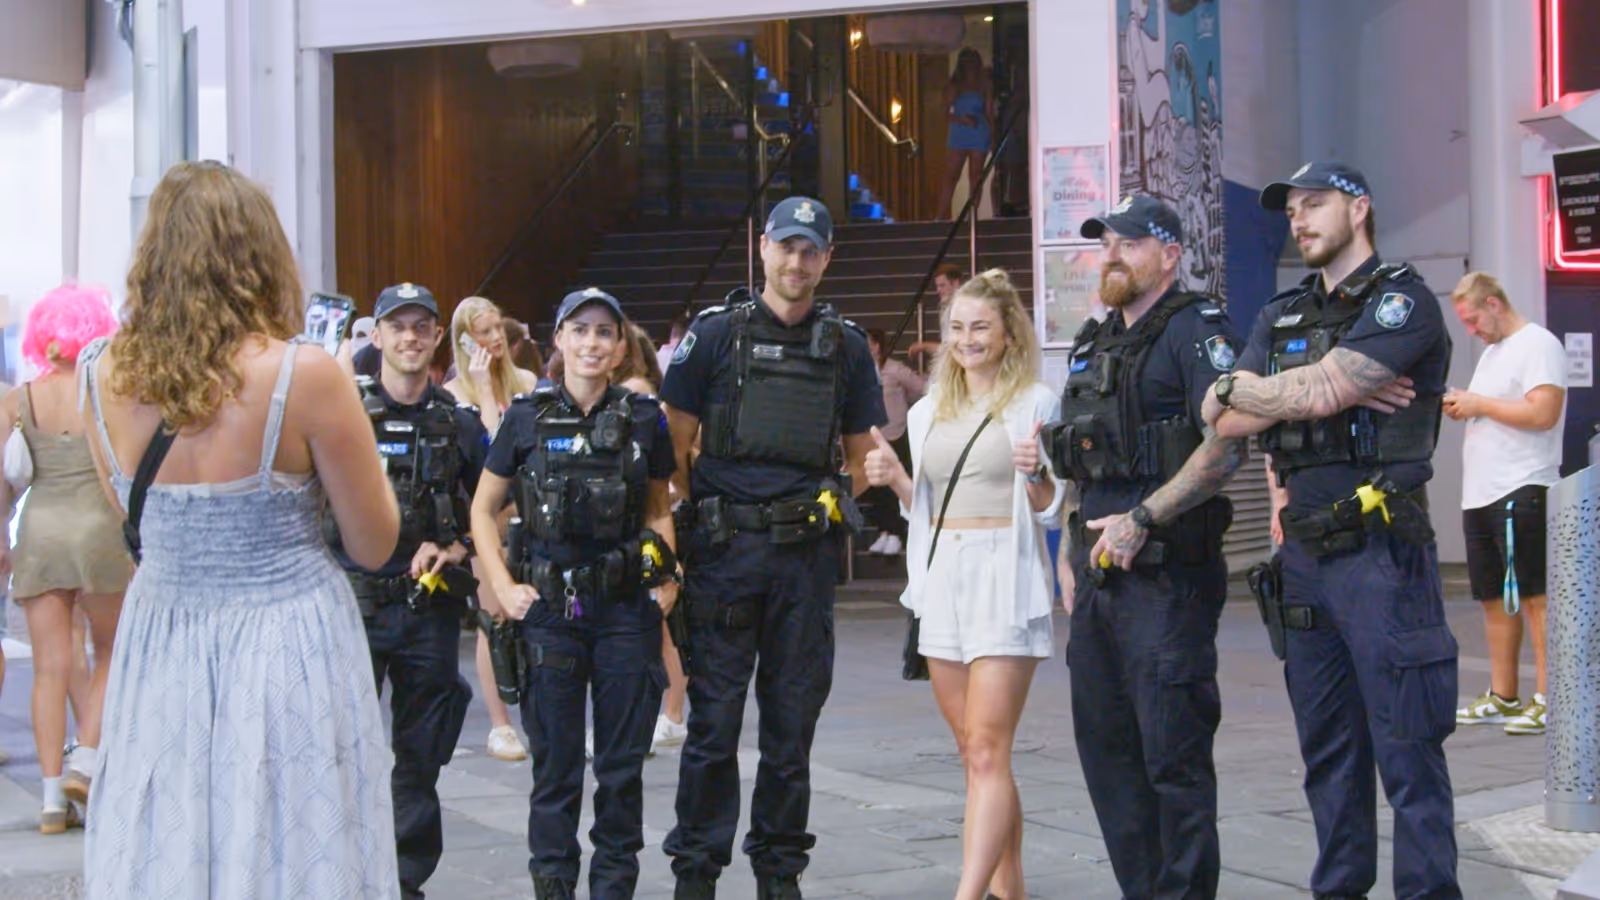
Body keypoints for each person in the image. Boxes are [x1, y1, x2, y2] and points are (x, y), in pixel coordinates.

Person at [79, 160, 400, 898]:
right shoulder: (304, 375)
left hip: (161, 636)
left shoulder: (99, 375)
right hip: (289, 641)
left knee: (172, 834)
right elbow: (374, 543)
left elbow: (137, 521)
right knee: (290, 839)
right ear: (260, 257)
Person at [1204, 160, 1460, 899]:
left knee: (1408, 752)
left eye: (1317, 204)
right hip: (1306, 561)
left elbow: (1324, 389)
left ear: (1360, 209)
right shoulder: (1282, 311)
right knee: (1329, 756)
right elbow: (1219, 415)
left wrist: (1296, 390)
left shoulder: (1401, 300)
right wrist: (1288, 390)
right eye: (1293, 210)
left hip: (1382, 554)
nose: (1302, 219)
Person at [659, 196, 887, 900]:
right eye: (786, 247)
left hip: (803, 565)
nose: (796, 261)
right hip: (725, 560)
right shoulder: (715, 336)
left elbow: (858, 457)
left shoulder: (846, 347)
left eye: (810, 249)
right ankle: (696, 873)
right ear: (762, 249)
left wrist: (803, 509)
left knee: (791, 730)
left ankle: (778, 872)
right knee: (714, 727)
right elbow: (670, 453)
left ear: (827, 258)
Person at [1049, 196, 1244, 899]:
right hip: (1098, 581)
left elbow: (1229, 443)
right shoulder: (1093, 342)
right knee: (1108, 757)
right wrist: (1070, 553)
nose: (1111, 254)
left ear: (1169, 254)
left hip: (1168, 578)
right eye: (1105, 242)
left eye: (1129, 242)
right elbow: (1083, 465)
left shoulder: (1197, 331)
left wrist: (1144, 517)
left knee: (1174, 760)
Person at [470, 288, 679, 900]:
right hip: (550, 617)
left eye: (604, 333)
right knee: (555, 773)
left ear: (620, 348)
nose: (591, 343)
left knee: (619, 772)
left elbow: (659, 509)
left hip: (622, 614)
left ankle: (614, 890)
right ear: (558, 340)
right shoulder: (525, 416)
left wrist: (667, 579)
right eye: (579, 330)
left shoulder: (644, 418)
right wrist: (504, 588)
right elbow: (484, 510)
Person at [865, 269, 1064, 900]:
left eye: (980, 327)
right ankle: (1011, 890)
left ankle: (967, 894)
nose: (966, 339)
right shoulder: (926, 413)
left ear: (1008, 334)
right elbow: (923, 511)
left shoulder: (1036, 402)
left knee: (986, 749)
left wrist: (1035, 474)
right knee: (976, 754)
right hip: (940, 580)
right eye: (956, 328)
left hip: (1003, 577)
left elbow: (1050, 505)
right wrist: (896, 478)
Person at [331, 282, 488, 899]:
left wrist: (456, 550)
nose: (410, 337)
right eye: (398, 326)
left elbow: (494, 508)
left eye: (422, 326)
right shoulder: (344, 415)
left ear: (435, 337)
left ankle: (404, 881)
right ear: (377, 336)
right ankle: (346, 873)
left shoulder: (459, 422)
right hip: (353, 607)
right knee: (343, 753)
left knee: (420, 758)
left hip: (428, 609)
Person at [0, 285, 129, 833]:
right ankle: (88, 758)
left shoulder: (19, 398)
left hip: (42, 531)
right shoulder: (109, 392)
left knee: (50, 668)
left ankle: (52, 799)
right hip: (101, 530)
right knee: (111, 652)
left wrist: (3, 545)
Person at [1447, 272, 1566, 737]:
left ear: (1494, 304)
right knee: (1495, 599)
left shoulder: (1538, 344)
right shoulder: (1493, 354)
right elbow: (1493, 406)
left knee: (1536, 597)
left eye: (1474, 319)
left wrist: (1478, 403)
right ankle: (1503, 694)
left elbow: (1542, 413)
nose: (1472, 330)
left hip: (1522, 488)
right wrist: (1467, 403)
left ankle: (1549, 697)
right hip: (1481, 492)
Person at [444, 295, 540, 763]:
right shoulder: (455, 396)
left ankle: (538, 717)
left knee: (535, 618)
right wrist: (484, 394)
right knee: (495, 619)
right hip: (485, 520)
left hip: (527, 516)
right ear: (464, 340)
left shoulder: (526, 382)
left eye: (498, 328)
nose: (495, 339)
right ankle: (500, 724)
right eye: (482, 332)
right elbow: (489, 456)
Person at [862, 328, 927, 556]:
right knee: (875, 489)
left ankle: (896, 533)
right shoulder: (862, 371)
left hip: (896, 434)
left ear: (877, 346)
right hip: (871, 436)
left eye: (868, 342)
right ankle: (884, 532)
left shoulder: (894, 369)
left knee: (893, 488)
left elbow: (920, 388)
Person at [939, 48, 994, 221]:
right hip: (959, 132)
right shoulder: (954, 84)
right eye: (967, 61)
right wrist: (961, 119)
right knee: (951, 175)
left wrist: (993, 134)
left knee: (976, 176)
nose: (970, 65)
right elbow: (944, 112)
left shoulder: (984, 84)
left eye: (973, 61)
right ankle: (940, 215)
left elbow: (989, 112)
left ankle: (973, 216)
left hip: (979, 131)